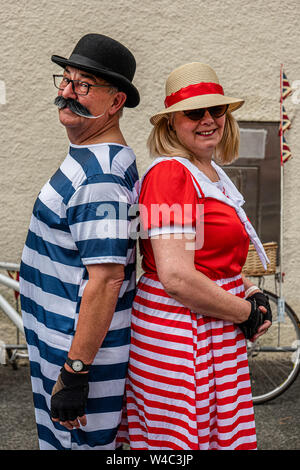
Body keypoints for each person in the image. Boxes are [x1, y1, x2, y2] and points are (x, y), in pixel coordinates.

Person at [124, 62, 272, 450]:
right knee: (181, 444)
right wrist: (245, 313)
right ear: (171, 123)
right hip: (181, 331)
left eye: (216, 110)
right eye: (194, 112)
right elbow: (175, 277)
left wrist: (248, 291)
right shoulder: (169, 175)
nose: (208, 120)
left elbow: (212, 260)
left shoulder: (207, 170)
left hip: (210, 325)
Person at [19, 33, 140, 450]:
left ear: (116, 102)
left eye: (84, 85)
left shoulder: (100, 179)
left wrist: (74, 373)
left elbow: (106, 280)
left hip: (76, 354)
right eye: (66, 79)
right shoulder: (90, 158)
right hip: (60, 341)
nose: (67, 92)